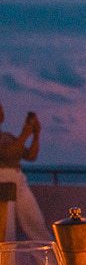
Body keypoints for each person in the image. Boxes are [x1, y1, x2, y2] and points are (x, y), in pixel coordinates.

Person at [0, 101, 50, 240]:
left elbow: (30, 155)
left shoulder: (8, 137)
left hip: (18, 180)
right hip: (2, 182)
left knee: (35, 223)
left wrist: (36, 134)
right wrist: (25, 133)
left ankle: (50, 261)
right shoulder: (11, 139)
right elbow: (7, 153)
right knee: (6, 230)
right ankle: (6, 262)